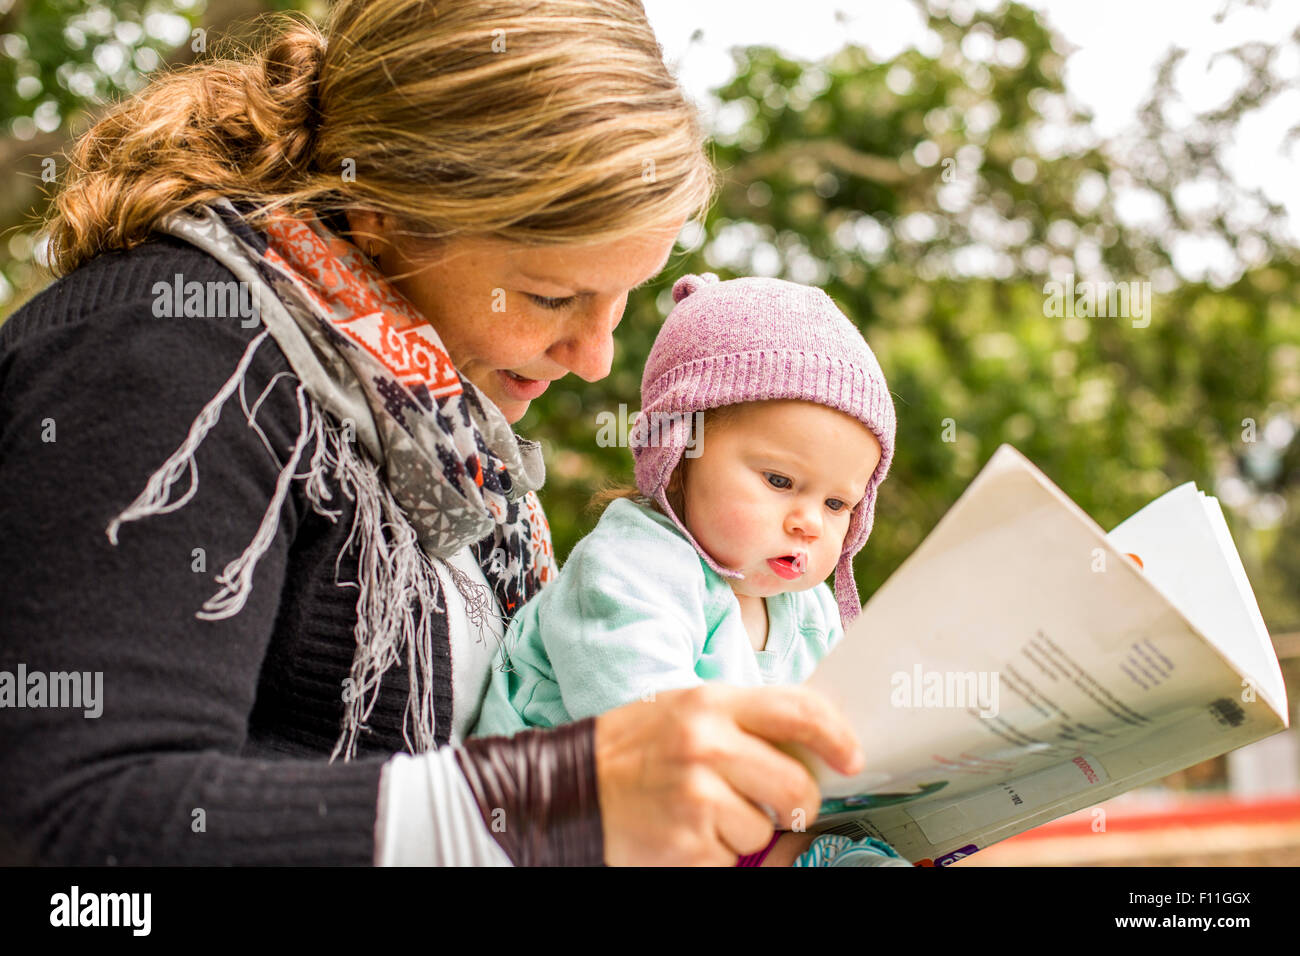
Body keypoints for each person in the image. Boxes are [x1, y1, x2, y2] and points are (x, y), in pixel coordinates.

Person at [0, 0, 866, 866]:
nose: (596, 358)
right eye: (552, 296)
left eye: (623, 295)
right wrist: (549, 804)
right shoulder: (166, 354)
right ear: (380, 204)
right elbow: (68, 824)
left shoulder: (441, 446)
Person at [472, 272, 910, 866]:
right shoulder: (632, 565)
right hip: (547, 830)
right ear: (677, 453)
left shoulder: (807, 608)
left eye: (838, 504)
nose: (810, 522)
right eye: (780, 481)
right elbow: (651, 733)